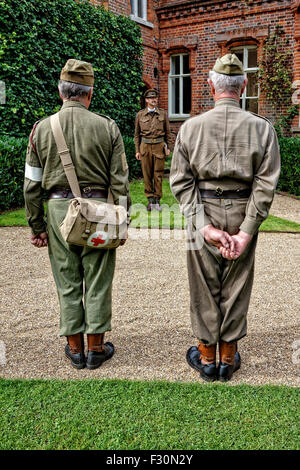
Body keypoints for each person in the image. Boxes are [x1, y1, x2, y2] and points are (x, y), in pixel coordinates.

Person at [170, 53, 280, 382]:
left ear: (210, 85)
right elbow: (266, 183)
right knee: (237, 284)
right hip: (244, 207)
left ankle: (207, 359)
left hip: (202, 208)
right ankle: (227, 359)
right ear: (244, 85)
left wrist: (202, 224)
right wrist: (246, 231)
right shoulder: (263, 128)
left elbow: (179, 180)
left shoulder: (190, 127)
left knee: (203, 285)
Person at [24, 59, 131, 370]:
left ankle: (74, 348)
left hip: (58, 211)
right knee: (98, 277)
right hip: (99, 211)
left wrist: (37, 225)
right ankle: (96, 348)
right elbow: (120, 181)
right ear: (90, 93)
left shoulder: (41, 129)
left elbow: (31, 185)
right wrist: (122, 222)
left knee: (67, 279)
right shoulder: (107, 126)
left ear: (61, 92)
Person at [134, 89, 172, 211]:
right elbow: (136, 135)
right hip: (144, 147)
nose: (153, 100)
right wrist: (137, 150)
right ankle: (150, 200)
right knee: (147, 175)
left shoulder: (163, 114)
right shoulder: (140, 115)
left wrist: (168, 148)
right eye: (150, 98)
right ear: (146, 100)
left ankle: (157, 201)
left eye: (155, 98)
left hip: (159, 146)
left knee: (158, 175)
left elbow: (168, 132)